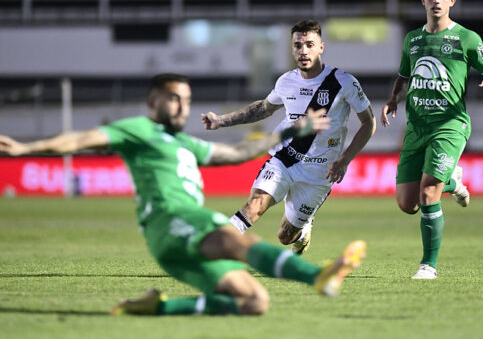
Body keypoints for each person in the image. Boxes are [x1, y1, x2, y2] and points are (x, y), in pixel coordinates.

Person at [0, 73, 367, 316]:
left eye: (186, 100)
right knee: (235, 240)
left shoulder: (186, 143)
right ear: (153, 103)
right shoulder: (140, 130)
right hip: (175, 220)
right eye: (173, 99)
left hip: (172, 247)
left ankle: (157, 308)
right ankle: (317, 276)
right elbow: (81, 140)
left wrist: (291, 131)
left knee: (254, 301)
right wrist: (23, 149)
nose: (182, 106)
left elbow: (238, 153)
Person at [201, 20, 375, 255]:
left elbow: (368, 123)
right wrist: (222, 120)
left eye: (309, 45)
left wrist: (344, 160)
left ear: (321, 47)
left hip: (319, 172)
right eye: (298, 45)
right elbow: (262, 108)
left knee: (285, 235)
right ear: (292, 48)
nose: (303, 51)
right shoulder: (286, 81)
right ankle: (213, 250)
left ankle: (302, 231)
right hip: (284, 159)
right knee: (254, 206)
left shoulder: (343, 82)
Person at [381, 0, 483, 279]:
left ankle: (428, 266)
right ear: (423, 0)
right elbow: (404, 75)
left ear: (452, 0)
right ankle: (453, 181)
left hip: (450, 126)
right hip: (416, 128)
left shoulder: (466, 38)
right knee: (406, 204)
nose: (436, 0)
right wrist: (393, 99)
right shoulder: (413, 39)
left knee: (427, 195)